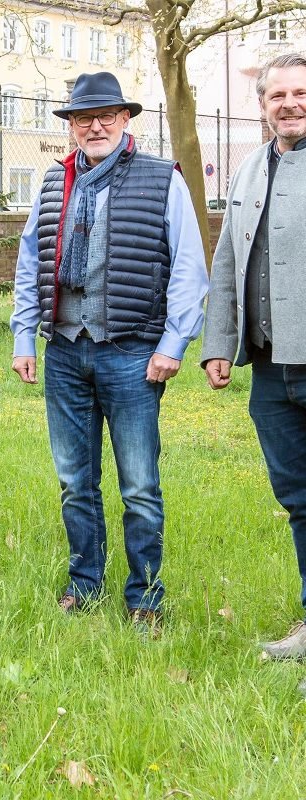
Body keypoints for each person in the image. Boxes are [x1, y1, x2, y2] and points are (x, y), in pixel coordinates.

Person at [10, 72, 208, 636]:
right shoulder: (53, 183)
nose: (94, 125)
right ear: (71, 126)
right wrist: (25, 336)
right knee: (76, 481)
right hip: (65, 352)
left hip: (132, 354)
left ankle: (145, 594)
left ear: (126, 121)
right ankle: (84, 583)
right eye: (82, 117)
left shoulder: (161, 179)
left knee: (139, 483)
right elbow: (30, 264)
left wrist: (173, 345)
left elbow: (190, 269)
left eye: (107, 115)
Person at [201, 53, 306, 659]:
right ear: (262, 105)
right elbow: (227, 262)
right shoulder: (248, 171)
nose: (289, 104)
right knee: (298, 499)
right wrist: (219, 342)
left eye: (300, 92)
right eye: (277, 96)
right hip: (270, 369)